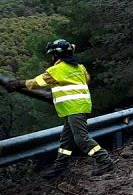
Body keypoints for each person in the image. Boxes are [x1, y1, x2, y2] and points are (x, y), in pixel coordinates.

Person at [7, 39, 114, 179]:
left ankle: (104, 160)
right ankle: (60, 166)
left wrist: (17, 84)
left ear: (56, 55)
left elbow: (36, 82)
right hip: (79, 106)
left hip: (74, 108)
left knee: (81, 139)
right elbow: (85, 80)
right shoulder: (80, 67)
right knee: (66, 140)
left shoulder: (56, 70)